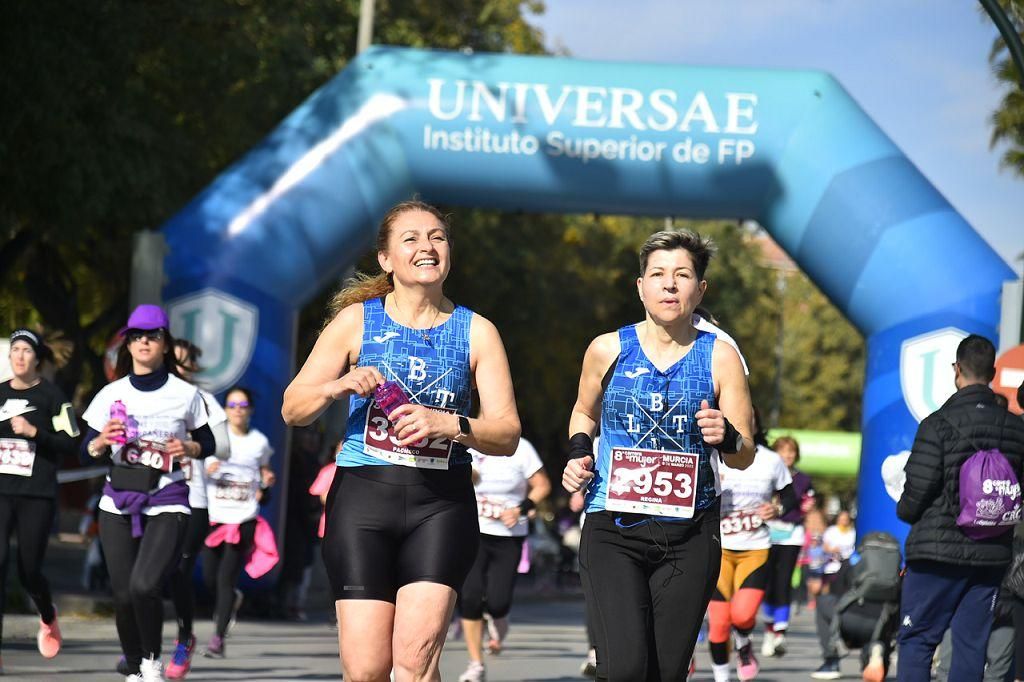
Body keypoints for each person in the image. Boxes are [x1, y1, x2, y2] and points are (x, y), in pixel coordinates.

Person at [281, 200, 521, 681]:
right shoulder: (356, 322)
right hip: (362, 502)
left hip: (441, 506)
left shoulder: (478, 331)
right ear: (386, 259)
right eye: (410, 239)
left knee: (413, 666)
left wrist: (449, 424)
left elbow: (508, 433)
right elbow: (293, 408)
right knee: (368, 669)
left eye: (437, 237)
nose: (427, 247)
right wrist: (338, 385)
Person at [561, 228, 756, 682]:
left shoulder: (720, 357)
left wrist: (726, 436)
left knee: (666, 673)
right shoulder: (607, 348)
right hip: (613, 526)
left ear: (700, 289)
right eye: (658, 274)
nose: (670, 284)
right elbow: (583, 412)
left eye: (682, 274)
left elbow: (745, 453)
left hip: (690, 534)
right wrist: (577, 453)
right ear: (641, 286)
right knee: (625, 667)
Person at [81, 304, 216, 682]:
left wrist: (188, 448)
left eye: (152, 335)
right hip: (117, 498)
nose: (144, 341)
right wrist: (100, 442)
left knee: (145, 585)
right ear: (128, 343)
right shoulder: (111, 393)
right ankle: (136, 664)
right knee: (122, 594)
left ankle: (153, 662)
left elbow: (208, 442)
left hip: (168, 497)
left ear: (164, 344)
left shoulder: (185, 394)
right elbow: (85, 446)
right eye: (137, 335)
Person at [896, 334, 1024, 682]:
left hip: (937, 552)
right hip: (991, 554)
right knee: (972, 645)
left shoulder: (937, 424)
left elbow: (917, 493)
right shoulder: (1016, 428)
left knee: (918, 639)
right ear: (993, 371)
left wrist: (906, 512)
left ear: (957, 369)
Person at [0, 329, 78, 673]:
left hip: (36, 494)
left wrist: (36, 434)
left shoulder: (54, 397)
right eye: (14, 349)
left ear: (37, 358)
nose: (19, 356)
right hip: (1, 493)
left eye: (26, 351)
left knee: (29, 570)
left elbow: (72, 442)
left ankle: (47, 615)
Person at [707, 415, 796, 682]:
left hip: (755, 549)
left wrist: (777, 508)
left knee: (743, 615)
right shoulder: (712, 454)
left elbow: (790, 496)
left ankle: (744, 642)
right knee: (719, 624)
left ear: (755, 425)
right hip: (718, 548)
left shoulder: (771, 460)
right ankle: (722, 678)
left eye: (748, 417)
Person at [458, 436, 551, 682]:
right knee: (470, 597)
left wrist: (521, 509)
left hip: (508, 536)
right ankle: (476, 664)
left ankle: (497, 620)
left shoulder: (521, 447)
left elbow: (542, 485)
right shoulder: (467, 440)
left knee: (499, 602)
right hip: (473, 530)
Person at [164, 339, 230, 680]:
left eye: (183, 364)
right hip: (151, 497)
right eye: (172, 362)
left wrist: (195, 447)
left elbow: (224, 446)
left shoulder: (203, 401)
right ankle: (138, 646)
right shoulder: (150, 396)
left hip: (192, 499)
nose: (177, 369)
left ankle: (183, 638)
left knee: (178, 572)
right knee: (138, 577)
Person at [202, 386, 275, 658]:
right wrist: (205, 468)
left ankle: (217, 639)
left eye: (243, 405)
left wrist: (266, 485)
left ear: (251, 410)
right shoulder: (214, 440)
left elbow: (265, 475)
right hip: (214, 518)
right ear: (225, 410)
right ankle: (232, 599)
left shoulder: (259, 442)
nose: (237, 410)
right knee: (210, 579)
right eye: (232, 405)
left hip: (243, 519)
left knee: (224, 579)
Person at [810, 533, 902, 682]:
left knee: (823, 602)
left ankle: (831, 661)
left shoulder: (851, 563)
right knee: (885, 620)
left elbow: (839, 594)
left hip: (850, 622)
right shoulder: (897, 572)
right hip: (881, 626)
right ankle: (877, 653)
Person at [762, 435, 815, 657]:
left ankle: (780, 633)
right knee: (768, 583)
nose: (788, 455)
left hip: (791, 535)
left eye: (791, 451)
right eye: (783, 451)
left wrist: (806, 507)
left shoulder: (803, 479)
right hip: (766, 534)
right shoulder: (766, 473)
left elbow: (808, 501)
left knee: (784, 581)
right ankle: (768, 630)